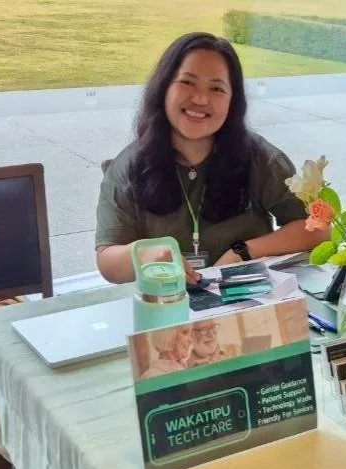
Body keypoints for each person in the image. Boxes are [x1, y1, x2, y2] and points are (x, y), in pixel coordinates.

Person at [95, 33, 328, 284]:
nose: (200, 99)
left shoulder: (261, 159)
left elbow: (317, 229)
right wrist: (144, 255)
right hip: (163, 303)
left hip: (244, 303)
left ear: (232, 101)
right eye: (187, 82)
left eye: (217, 88)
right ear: (164, 87)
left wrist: (242, 252)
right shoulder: (129, 167)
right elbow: (107, 260)